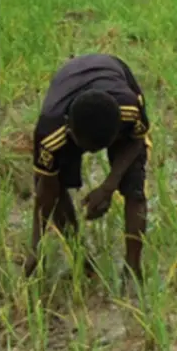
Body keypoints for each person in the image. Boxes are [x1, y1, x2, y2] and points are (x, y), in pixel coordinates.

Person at [26, 53, 152, 287]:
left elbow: (136, 140)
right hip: (68, 82)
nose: (94, 154)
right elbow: (47, 192)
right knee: (58, 184)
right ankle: (81, 260)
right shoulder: (50, 132)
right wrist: (35, 246)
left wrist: (108, 186)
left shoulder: (129, 108)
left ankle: (133, 272)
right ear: (70, 133)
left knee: (135, 188)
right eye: (88, 149)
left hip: (112, 72)